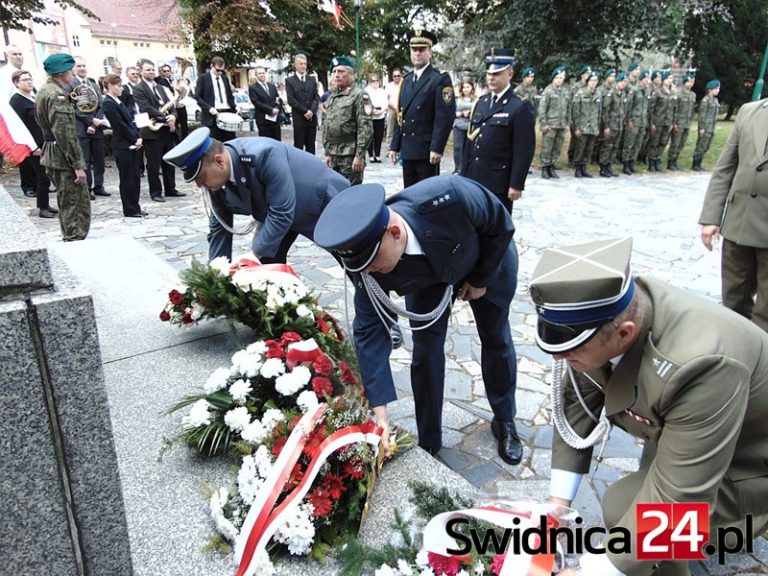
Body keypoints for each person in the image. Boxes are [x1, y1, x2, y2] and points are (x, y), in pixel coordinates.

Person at [529, 237, 768, 576]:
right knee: (642, 519)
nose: (558, 358)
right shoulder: (611, 312)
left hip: (751, 459)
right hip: (688, 433)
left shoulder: (702, 364)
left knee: (625, 509)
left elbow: (680, 500)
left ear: (624, 335)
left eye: (570, 351)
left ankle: (750, 522)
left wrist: (593, 571)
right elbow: (578, 403)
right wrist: (557, 508)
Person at [313, 176, 523, 465]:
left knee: (495, 338)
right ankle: (430, 441)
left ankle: (505, 419)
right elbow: (368, 332)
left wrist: (480, 278)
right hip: (426, 277)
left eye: (372, 264)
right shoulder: (369, 266)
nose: (368, 273)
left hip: (487, 259)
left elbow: (500, 224)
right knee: (426, 352)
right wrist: (380, 414)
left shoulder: (451, 196)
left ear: (395, 233)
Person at [163, 127, 350, 262]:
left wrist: (252, 255)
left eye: (201, 177)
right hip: (278, 215)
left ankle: (374, 315)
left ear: (219, 162)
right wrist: (216, 277)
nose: (199, 184)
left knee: (360, 268)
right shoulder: (215, 183)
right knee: (265, 271)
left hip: (323, 203)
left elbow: (282, 212)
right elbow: (220, 229)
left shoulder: (263, 155)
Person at [699, 97, 768, 333]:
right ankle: (733, 353)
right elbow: (726, 167)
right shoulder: (750, 111)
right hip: (739, 226)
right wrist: (711, 217)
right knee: (733, 302)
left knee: (766, 313)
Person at [462, 48, 535, 212]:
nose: (491, 78)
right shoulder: (481, 102)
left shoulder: (520, 106)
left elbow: (524, 149)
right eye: (489, 74)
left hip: (499, 182)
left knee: (497, 230)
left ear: (509, 74)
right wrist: (463, 175)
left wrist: (516, 184)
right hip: (474, 177)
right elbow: (470, 142)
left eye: (497, 74)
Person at [388, 29, 455, 187]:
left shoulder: (439, 79)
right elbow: (401, 115)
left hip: (426, 150)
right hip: (408, 148)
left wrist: (437, 148)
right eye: (414, 50)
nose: (417, 53)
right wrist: (394, 146)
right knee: (409, 195)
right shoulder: (407, 80)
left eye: (422, 50)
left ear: (430, 52)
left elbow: (444, 117)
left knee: (426, 196)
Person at [35, 53, 90, 241]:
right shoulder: (57, 95)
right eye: (70, 71)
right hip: (62, 155)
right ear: (61, 73)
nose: (73, 74)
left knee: (66, 199)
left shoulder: (44, 90)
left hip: (52, 151)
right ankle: (74, 239)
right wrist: (77, 165)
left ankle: (71, 236)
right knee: (74, 203)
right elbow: (65, 134)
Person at [132, 59, 184, 202]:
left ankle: (170, 189)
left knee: (168, 162)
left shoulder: (161, 88)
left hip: (166, 131)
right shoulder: (138, 89)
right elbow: (145, 107)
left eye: (152, 69)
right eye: (148, 69)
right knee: (154, 165)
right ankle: (155, 192)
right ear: (141, 71)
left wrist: (173, 116)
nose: (151, 72)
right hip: (151, 131)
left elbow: (172, 104)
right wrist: (164, 118)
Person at [9, 70, 58, 218]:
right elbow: (19, 126)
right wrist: (33, 146)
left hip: (44, 141)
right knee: (42, 176)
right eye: (25, 80)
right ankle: (42, 208)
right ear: (17, 83)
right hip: (32, 145)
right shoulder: (16, 100)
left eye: (30, 79)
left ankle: (45, 204)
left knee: (46, 176)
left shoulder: (33, 97)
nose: (29, 82)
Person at [322, 56, 372, 186]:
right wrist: (328, 152)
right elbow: (327, 125)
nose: (336, 75)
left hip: (350, 155)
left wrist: (359, 156)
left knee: (351, 192)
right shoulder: (333, 97)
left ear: (352, 75)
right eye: (334, 72)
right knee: (334, 192)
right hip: (334, 154)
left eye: (341, 71)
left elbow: (365, 128)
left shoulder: (359, 95)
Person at [101, 74, 145, 218]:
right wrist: (134, 139)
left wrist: (138, 137)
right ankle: (130, 208)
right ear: (110, 86)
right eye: (118, 86)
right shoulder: (108, 103)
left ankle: (136, 206)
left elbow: (130, 121)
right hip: (122, 145)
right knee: (127, 179)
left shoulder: (118, 101)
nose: (121, 88)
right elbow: (120, 126)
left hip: (132, 143)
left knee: (135, 177)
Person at [69, 56, 109, 199]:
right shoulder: (70, 85)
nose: (82, 68)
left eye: (84, 65)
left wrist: (95, 122)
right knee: (85, 160)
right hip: (82, 128)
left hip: (96, 127)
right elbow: (73, 107)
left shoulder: (93, 84)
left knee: (99, 159)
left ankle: (99, 186)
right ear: (74, 69)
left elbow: (100, 104)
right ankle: (88, 189)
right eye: (79, 66)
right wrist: (90, 121)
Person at [1, 45, 34, 195]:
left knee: (36, 149)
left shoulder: (26, 73)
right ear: (7, 56)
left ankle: (40, 181)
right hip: (15, 114)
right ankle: (27, 185)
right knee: (24, 150)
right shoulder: (3, 74)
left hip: (30, 113)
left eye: (20, 53)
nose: (18, 56)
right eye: (15, 54)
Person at [194, 56, 236, 142]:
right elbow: (197, 97)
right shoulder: (203, 78)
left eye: (222, 70)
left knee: (230, 142)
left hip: (227, 113)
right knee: (214, 144)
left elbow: (230, 97)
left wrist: (235, 106)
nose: (220, 73)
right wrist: (209, 108)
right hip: (212, 116)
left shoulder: (224, 79)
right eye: (218, 70)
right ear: (211, 66)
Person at [538, 65, 569, 179]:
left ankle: (552, 166)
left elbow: (568, 108)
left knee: (557, 147)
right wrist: (543, 123)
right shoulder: (548, 91)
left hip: (561, 124)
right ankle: (545, 167)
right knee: (547, 147)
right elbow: (542, 108)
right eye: (557, 78)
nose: (559, 80)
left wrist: (567, 123)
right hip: (551, 124)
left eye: (561, 78)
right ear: (553, 78)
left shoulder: (565, 92)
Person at [285, 54, 320, 154]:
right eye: (301, 64)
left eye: (305, 64)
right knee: (298, 146)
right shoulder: (290, 81)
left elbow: (316, 97)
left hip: (311, 119)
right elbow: (291, 100)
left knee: (311, 146)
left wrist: (312, 111)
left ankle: (311, 168)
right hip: (299, 119)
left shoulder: (312, 80)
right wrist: (305, 111)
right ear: (295, 65)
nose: (303, 66)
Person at [569, 71, 600, 178]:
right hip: (582, 126)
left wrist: (597, 127)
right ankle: (577, 168)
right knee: (580, 148)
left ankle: (584, 167)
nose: (594, 83)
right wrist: (576, 128)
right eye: (592, 80)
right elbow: (575, 112)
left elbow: (599, 112)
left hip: (593, 126)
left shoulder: (598, 94)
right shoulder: (580, 94)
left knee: (589, 149)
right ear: (587, 82)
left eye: (596, 81)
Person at [621, 69, 650, 175]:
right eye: (646, 78)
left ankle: (632, 162)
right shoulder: (634, 90)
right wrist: (628, 120)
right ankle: (625, 164)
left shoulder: (647, 91)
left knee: (637, 144)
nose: (647, 80)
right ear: (641, 79)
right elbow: (628, 106)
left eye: (648, 78)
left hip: (642, 121)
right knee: (629, 143)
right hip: (634, 120)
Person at [667, 73, 696, 171]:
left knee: (682, 143)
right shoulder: (678, 95)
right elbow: (674, 109)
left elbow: (692, 110)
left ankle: (675, 160)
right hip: (679, 123)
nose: (690, 84)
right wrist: (674, 122)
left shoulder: (693, 95)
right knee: (675, 143)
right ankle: (670, 161)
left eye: (692, 82)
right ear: (684, 83)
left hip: (687, 123)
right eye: (689, 81)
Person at [647, 70, 674, 172]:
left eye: (671, 79)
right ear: (663, 80)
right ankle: (651, 162)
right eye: (668, 78)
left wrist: (672, 122)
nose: (670, 81)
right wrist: (652, 122)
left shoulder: (672, 93)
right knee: (654, 141)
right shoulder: (658, 92)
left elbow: (673, 109)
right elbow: (652, 109)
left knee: (663, 142)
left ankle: (657, 159)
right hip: (658, 121)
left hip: (667, 121)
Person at [693, 79, 720, 171]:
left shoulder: (715, 100)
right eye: (716, 88)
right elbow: (702, 115)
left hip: (711, 127)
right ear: (710, 89)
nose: (718, 90)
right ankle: (695, 163)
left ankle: (699, 163)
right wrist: (701, 128)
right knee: (701, 145)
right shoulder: (706, 100)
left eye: (718, 88)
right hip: (705, 127)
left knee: (706, 146)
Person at [249, 66, 281, 141]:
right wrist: (270, 110)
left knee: (277, 142)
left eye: (263, 73)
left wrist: (277, 108)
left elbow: (278, 99)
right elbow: (256, 102)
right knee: (266, 143)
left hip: (275, 120)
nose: (262, 75)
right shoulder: (253, 88)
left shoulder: (272, 86)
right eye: (259, 73)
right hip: (263, 121)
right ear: (256, 75)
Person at [452, 77, 476, 175]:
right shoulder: (458, 99)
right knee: (458, 147)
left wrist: (470, 114)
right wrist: (460, 114)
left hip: (470, 126)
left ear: (472, 88)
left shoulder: (475, 99)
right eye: (464, 87)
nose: (465, 89)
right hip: (458, 125)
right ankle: (458, 168)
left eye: (468, 87)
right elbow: (451, 111)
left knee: (469, 148)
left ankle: (468, 168)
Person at [365, 73, 387, 163]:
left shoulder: (382, 91)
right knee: (370, 136)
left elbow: (385, 103)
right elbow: (365, 103)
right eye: (373, 81)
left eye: (376, 80)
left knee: (379, 136)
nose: (375, 83)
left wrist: (381, 111)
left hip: (380, 115)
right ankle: (370, 155)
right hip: (370, 116)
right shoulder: (366, 91)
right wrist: (371, 111)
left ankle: (377, 154)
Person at [384, 68, 402, 153]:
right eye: (395, 76)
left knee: (401, 130)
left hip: (401, 110)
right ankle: (388, 149)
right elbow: (385, 99)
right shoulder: (389, 86)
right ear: (392, 77)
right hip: (391, 109)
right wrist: (393, 106)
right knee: (390, 130)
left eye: (398, 76)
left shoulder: (404, 84)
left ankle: (399, 149)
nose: (396, 78)